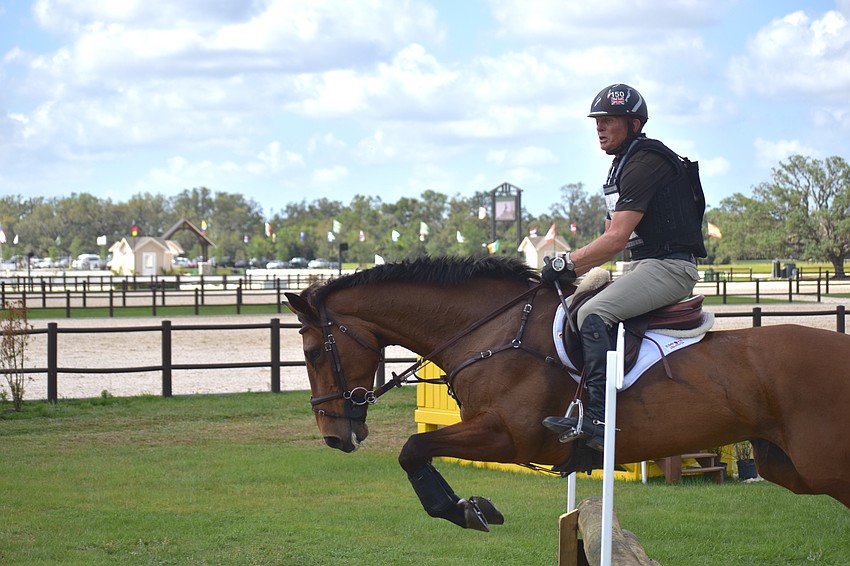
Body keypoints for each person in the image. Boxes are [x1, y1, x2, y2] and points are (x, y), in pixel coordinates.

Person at [541, 83, 706, 452]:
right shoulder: (624, 163)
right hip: (644, 266)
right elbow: (612, 241)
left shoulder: (645, 162)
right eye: (597, 121)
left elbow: (615, 240)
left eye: (609, 120)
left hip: (669, 268)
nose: (600, 128)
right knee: (578, 305)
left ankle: (598, 421)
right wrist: (579, 265)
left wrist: (564, 261)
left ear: (633, 124)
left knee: (593, 314)